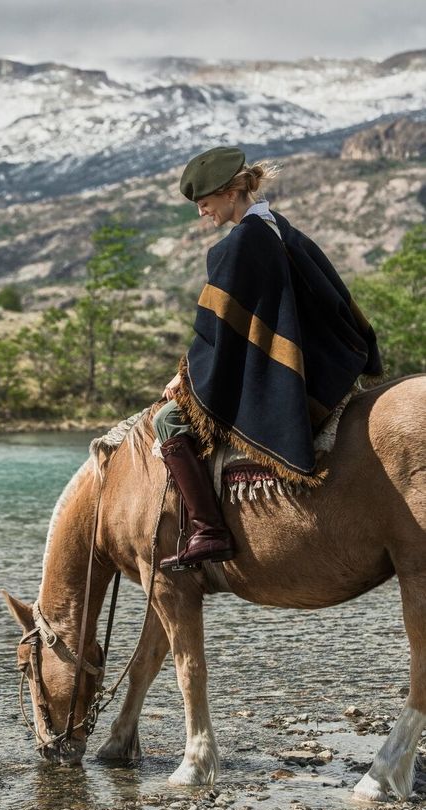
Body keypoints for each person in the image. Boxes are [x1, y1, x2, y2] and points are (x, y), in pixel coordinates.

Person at [153, 145, 382, 572]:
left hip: (289, 378)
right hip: (322, 367)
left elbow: (219, 333)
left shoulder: (240, 244)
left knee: (167, 420)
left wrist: (184, 376)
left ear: (229, 193)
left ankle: (208, 530)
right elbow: (330, 298)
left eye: (205, 202)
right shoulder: (280, 228)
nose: (201, 212)